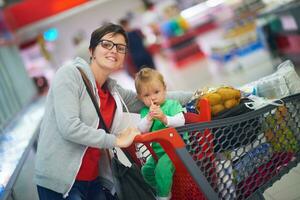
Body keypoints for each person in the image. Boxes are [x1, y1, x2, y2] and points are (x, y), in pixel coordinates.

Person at [34, 23, 192, 200]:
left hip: (95, 180)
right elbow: (69, 127)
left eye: (120, 48)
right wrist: (116, 140)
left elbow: (153, 97)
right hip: (61, 182)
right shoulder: (70, 75)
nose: (114, 51)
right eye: (106, 44)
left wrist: (197, 94)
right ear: (92, 50)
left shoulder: (112, 90)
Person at [135, 67, 185, 200]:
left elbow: (181, 121)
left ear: (164, 89)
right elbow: (142, 130)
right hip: (158, 152)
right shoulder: (146, 112)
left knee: (161, 169)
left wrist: (164, 118)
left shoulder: (171, 105)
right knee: (146, 171)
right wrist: (149, 119)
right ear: (140, 97)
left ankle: (163, 196)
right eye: (146, 95)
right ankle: (163, 188)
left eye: (156, 92)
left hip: (177, 149)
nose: (153, 98)